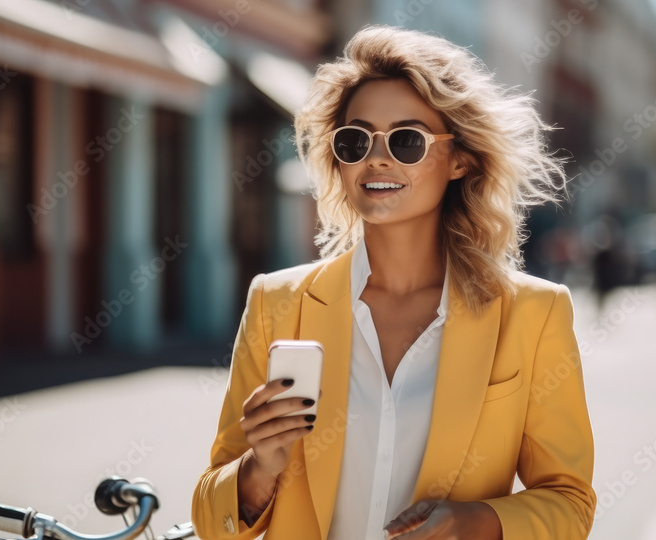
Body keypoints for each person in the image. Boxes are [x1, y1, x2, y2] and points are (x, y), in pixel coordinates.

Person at [191, 25, 596, 540]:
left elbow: (570, 503)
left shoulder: (533, 313)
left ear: (459, 159)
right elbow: (211, 521)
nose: (376, 158)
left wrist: (477, 522)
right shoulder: (276, 301)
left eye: (406, 140)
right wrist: (258, 470)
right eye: (355, 140)